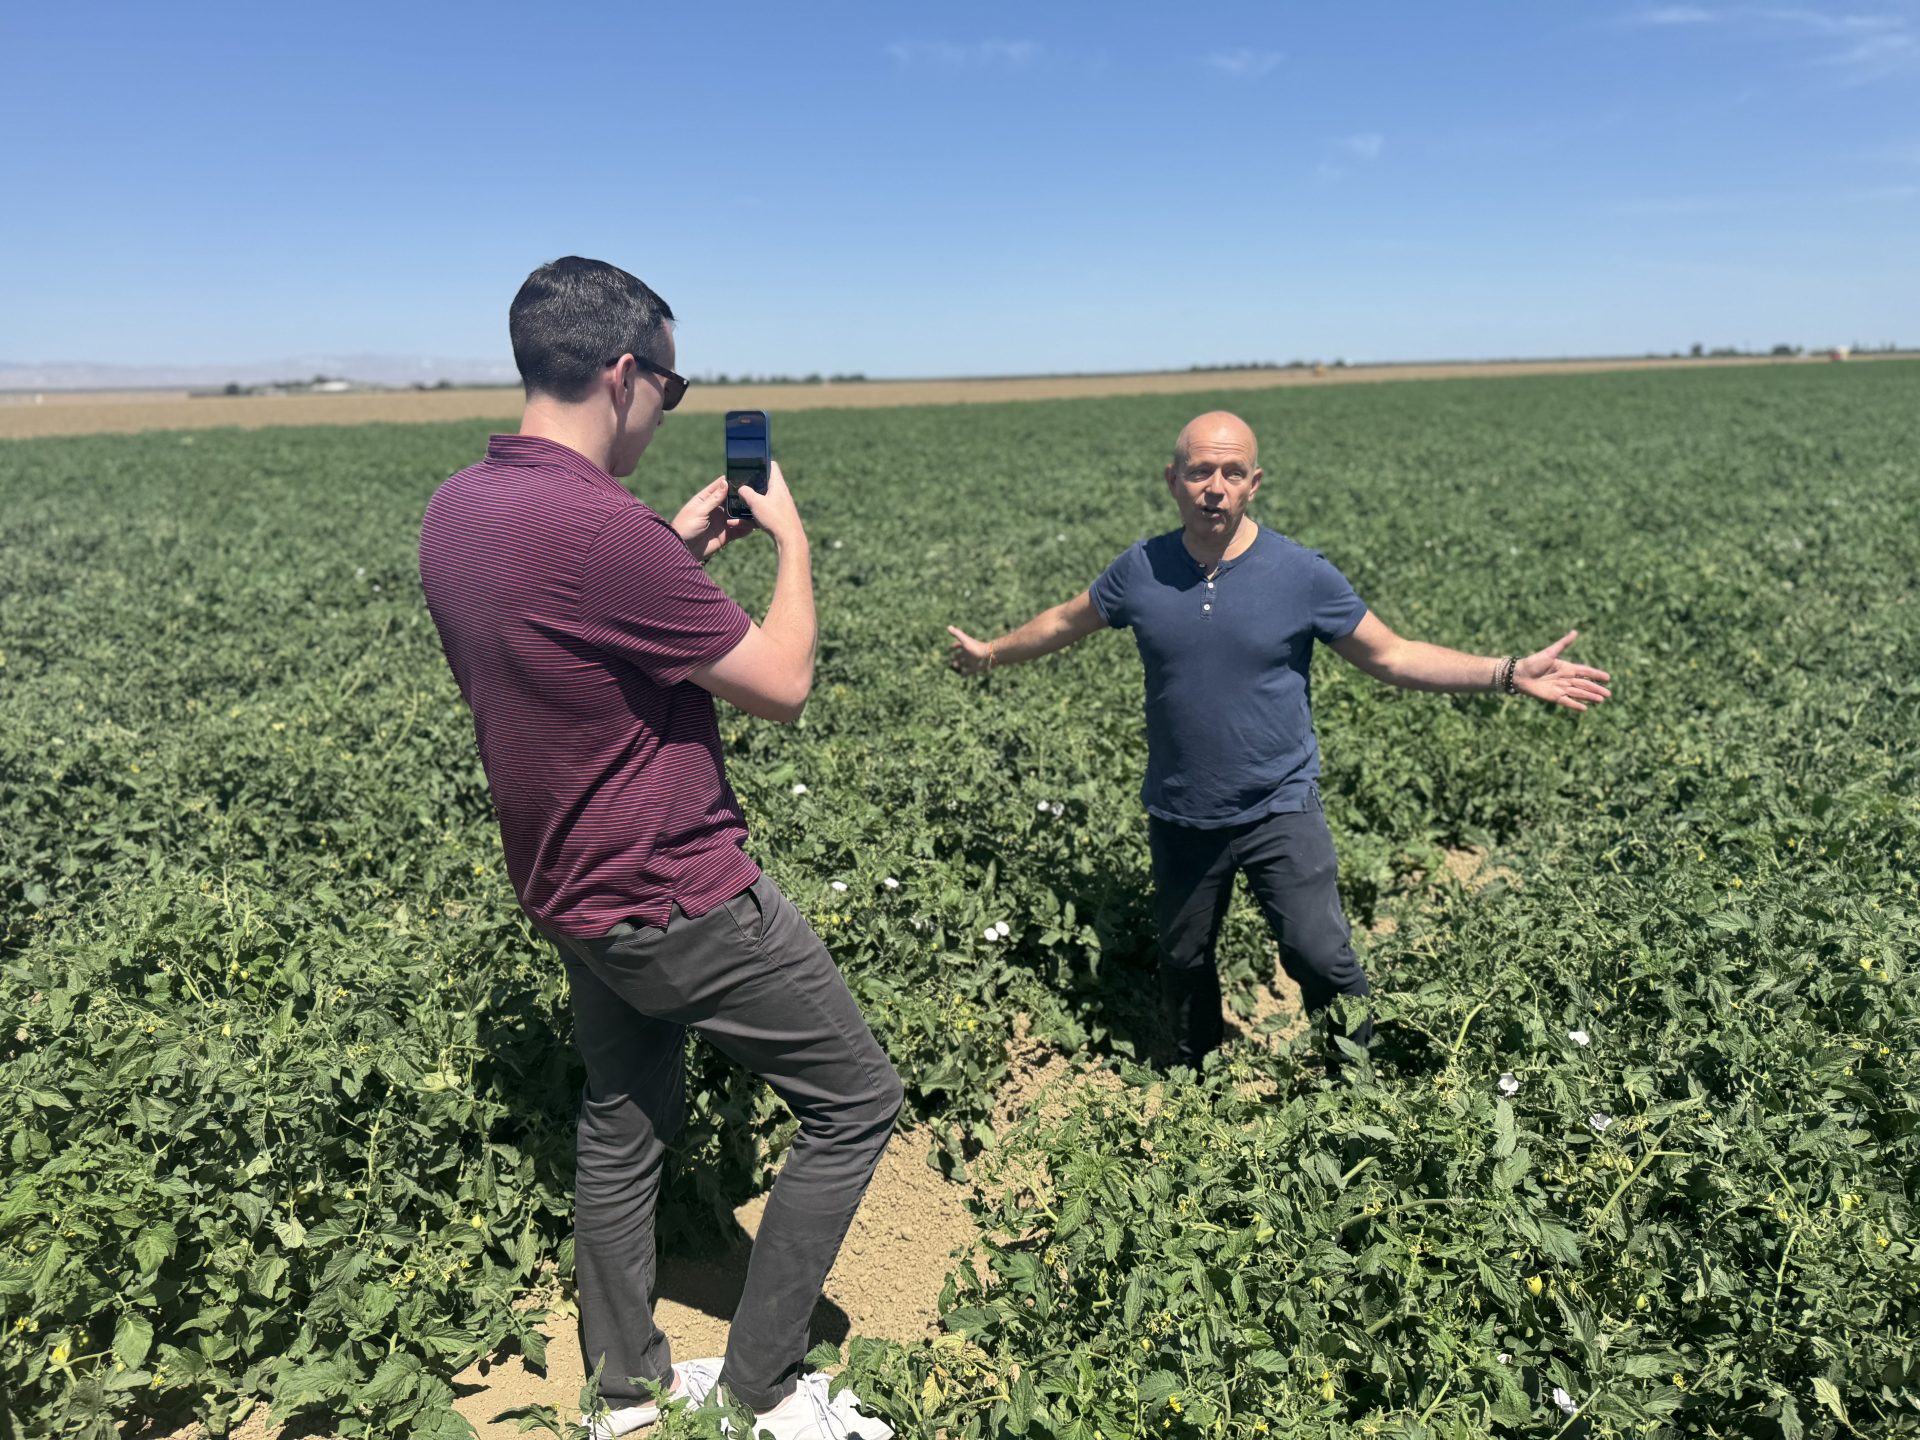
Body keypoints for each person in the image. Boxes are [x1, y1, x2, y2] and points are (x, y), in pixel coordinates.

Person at [418, 257, 900, 1440]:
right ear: (624, 373)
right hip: (680, 889)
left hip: (571, 887)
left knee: (622, 1117)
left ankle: (626, 1393)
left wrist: (671, 546)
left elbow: (574, 640)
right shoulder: (602, 529)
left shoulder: (458, 509)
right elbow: (782, 686)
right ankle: (763, 1391)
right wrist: (791, 543)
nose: (668, 411)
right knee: (855, 1102)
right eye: (671, 390)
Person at [946, 411, 1611, 1070]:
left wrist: (1507, 672)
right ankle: (1194, 1078)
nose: (1215, 487)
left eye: (1232, 473)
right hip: (1181, 811)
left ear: (1254, 483)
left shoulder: (1301, 574)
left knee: (1318, 953)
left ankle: (1355, 1076)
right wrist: (992, 652)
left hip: (1279, 806)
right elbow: (1067, 619)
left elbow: (1394, 655)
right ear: (1173, 480)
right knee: (1182, 957)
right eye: (1200, 471)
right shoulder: (1141, 568)